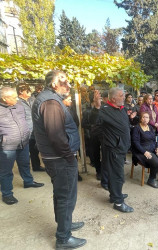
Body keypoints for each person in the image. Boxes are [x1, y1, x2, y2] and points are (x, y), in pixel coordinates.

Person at [31, 70, 86, 249]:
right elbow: (55, 136)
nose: (68, 85)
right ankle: (63, 238)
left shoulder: (49, 98)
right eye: (65, 81)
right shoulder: (51, 102)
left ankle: (65, 224)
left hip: (57, 158)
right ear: (54, 84)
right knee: (66, 197)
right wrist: (69, 157)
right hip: (60, 159)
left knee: (62, 195)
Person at [0, 87, 44, 205]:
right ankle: (7, 193)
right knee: (6, 171)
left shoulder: (19, 105)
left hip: (23, 142)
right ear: (4, 98)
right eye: (13, 97)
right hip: (7, 146)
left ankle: (28, 182)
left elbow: (24, 119)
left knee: (25, 163)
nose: (16, 99)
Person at [95, 87, 136, 213]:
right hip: (113, 148)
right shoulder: (104, 110)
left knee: (115, 174)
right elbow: (96, 129)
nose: (124, 97)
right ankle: (118, 202)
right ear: (113, 98)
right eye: (121, 96)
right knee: (117, 175)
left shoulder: (121, 109)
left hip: (121, 147)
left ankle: (114, 195)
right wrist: (110, 141)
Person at [132, 112, 158, 189]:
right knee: (156, 162)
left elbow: (157, 138)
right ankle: (151, 179)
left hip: (153, 148)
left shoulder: (151, 127)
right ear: (140, 119)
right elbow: (135, 143)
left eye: (147, 117)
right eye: (143, 117)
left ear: (149, 119)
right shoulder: (136, 128)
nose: (145, 119)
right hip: (141, 151)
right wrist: (144, 152)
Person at [17, 83, 45, 172]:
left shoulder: (32, 99)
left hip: (35, 129)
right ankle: (26, 170)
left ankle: (36, 166)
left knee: (35, 149)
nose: (30, 91)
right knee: (25, 152)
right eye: (27, 90)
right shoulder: (17, 102)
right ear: (21, 91)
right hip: (25, 130)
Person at [63, 95, 83, 182]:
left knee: (74, 157)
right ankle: (69, 175)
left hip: (73, 137)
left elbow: (77, 121)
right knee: (67, 158)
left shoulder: (71, 109)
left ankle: (75, 174)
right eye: (68, 99)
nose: (71, 101)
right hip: (65, 138)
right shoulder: (60, 110)